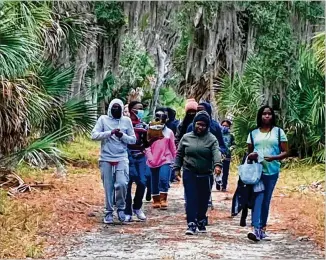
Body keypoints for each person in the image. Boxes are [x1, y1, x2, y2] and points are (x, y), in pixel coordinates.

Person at [174, 111, 222, 235]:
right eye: (198, 124)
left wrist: (217, 165)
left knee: (203, 199)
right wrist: (176, 168)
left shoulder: (212, 139)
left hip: (205, 174)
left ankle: (201, 219)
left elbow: (216, 152)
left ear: (207, 127)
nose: (200, 127)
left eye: (203, 125)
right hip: (190, 171)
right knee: (190, 198)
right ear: (194, 123)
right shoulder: (186, 137)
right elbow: (179, 153)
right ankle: (191, 223)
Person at [246, 105, 288, 241]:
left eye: (269, 114)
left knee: (266, 200)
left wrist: (275, 157)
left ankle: (263, 228)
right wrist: (252, 156)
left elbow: (286, 151)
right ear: (260, 116)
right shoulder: (253, 134)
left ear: (272, 116)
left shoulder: (278, 132)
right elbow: (249, 152)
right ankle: (256, 228)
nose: (267, 116)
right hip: (257, 172)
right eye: (264, 114)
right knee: (258, 197)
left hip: (272, 171)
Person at [91, 98, 136, 224]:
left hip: (121, 157)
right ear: (110, 108)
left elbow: (133, 140)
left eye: (118, 107)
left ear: (122, 109)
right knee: (108, 187)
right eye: (114, 107)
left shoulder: (126, 121)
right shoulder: (103, 120)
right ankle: (108, 212)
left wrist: (122, 136)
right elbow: (94, 135)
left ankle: (121, 209)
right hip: (106, 158)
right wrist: (110, 133)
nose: (116, 109)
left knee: (122, 184)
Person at [145, 109, 177, 210]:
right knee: (154, 180)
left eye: (162, 117)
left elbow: (172, 147)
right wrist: (150, 157)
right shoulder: (150, 130)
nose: (160, 119)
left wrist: (176, 161)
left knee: (163, 178)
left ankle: (163, 198)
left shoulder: (169, 132)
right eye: (158, 116)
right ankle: (156, 199)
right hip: (153, 159)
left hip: (165, 159)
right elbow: (146, 145)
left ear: (166, 119)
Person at [125, 101, 149, 222]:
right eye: (137, 109)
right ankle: (127, 211)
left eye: (141, 108)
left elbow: (147, 143)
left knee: (143, 181)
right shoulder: (125, 124)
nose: (140, 111)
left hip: (140, 156)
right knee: (127, 182)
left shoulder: (144, 126)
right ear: (130, 110)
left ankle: (137, 207)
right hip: (127, 156)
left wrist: (153, 137)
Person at [219, 119, 236, 192]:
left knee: (225, 171)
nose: (224, 127)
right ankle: (218, 182)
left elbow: (234, 144)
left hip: (227, 155)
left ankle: (224, 186)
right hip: (219, 154)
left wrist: (230, 148)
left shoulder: (231, 135)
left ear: (229, 127)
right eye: (223, 125)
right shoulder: (219, 134)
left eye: (226, 126)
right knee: (218, 169)